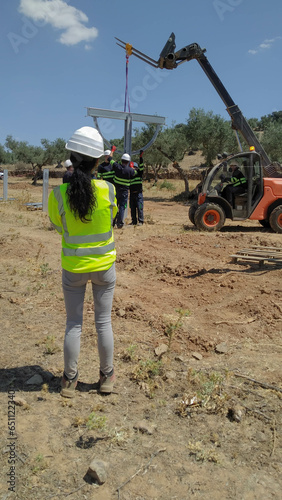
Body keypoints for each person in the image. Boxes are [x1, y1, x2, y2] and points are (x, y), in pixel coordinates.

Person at [48, 126, 117, 397]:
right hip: (104, 268)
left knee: (74, 323)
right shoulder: (109, 191)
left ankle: (69, 381)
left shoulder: (58, 195)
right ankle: (107, 378)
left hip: (73, 269)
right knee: (103, 322)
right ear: (98, 161)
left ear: (72, 159)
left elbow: (58, 226)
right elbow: (111, 221)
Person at [109, 152, 137, 228]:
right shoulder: (130, 170)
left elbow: (110, 159)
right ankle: (120, 223)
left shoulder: (117, 166)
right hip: (124, 192)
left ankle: (112, 222)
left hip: (116, 190)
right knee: (121, 207)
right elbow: (135, 172)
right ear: (128, 162)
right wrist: (132, 167)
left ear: (121, 160)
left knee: (114, 206)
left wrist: (112, 151)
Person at [129, 150, 144, 225]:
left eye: (135, 167)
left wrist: (140, 157)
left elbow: (141, 166)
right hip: (132, 194)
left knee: (140, 207)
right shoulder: (130, 176)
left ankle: (140, 221)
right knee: (132, 208)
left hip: (138, 194)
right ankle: (134, 221)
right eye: (132, 167)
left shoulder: (139, 174)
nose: (133, 169)